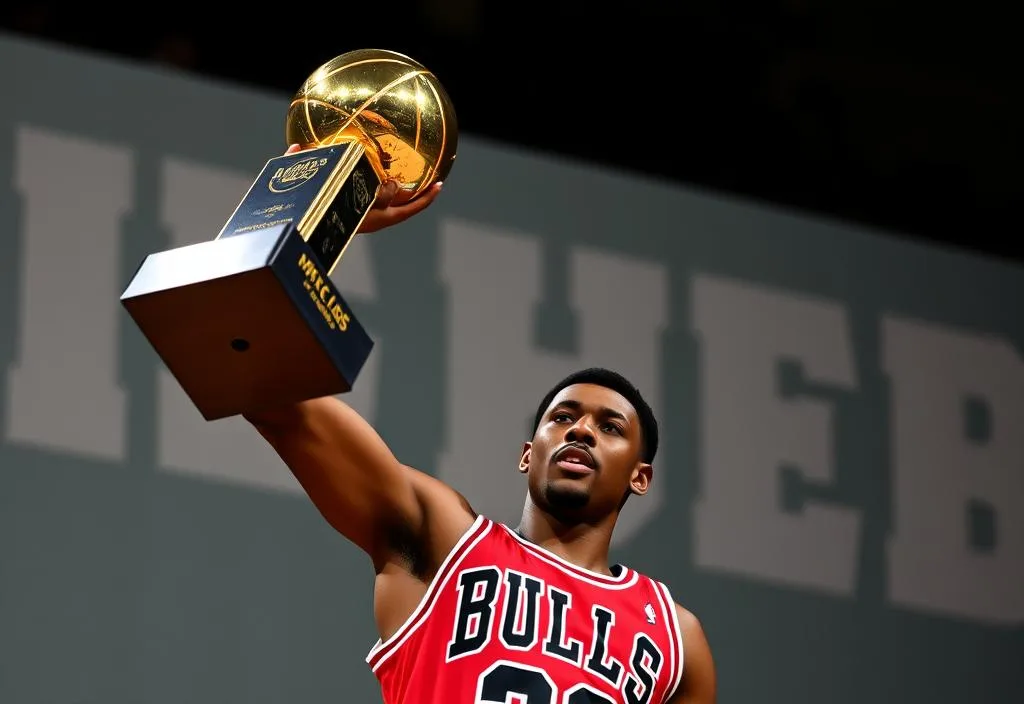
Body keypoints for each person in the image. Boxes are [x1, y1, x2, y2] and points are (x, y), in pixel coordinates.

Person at [243, 145, 717, 703]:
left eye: (610, 426)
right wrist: (315, 214)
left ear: (641, 477)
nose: (581, 430)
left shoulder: (675, 639)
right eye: (562, 417)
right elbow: (258, 379)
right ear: (527, 453)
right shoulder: (443, 539)